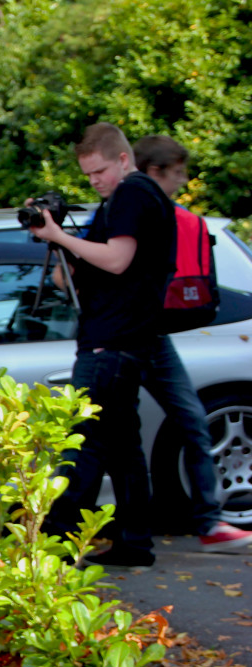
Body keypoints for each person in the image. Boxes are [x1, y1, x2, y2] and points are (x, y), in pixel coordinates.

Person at [29, 123, 176, 568]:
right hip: (125, 339)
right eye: (88, 175)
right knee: (122, 447)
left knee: (85, 443)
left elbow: (116, 259)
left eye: (99, 171)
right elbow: (64, 277)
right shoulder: (126, 199)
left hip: (109, 343)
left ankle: (52, 544)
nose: (94, 181)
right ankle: (135, 542)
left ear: (123, 160)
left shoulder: (132, 193)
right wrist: (57, 237)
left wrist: (58, 237)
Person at [132, 135, 252, 552]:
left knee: (187, 423)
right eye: (176, 176)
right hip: (137, 336)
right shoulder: (139, 210)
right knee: (181, 424)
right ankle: (197, 523)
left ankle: (206, 521)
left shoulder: (141, 211)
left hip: (147, 335)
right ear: (154, 172)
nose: (179, 186)